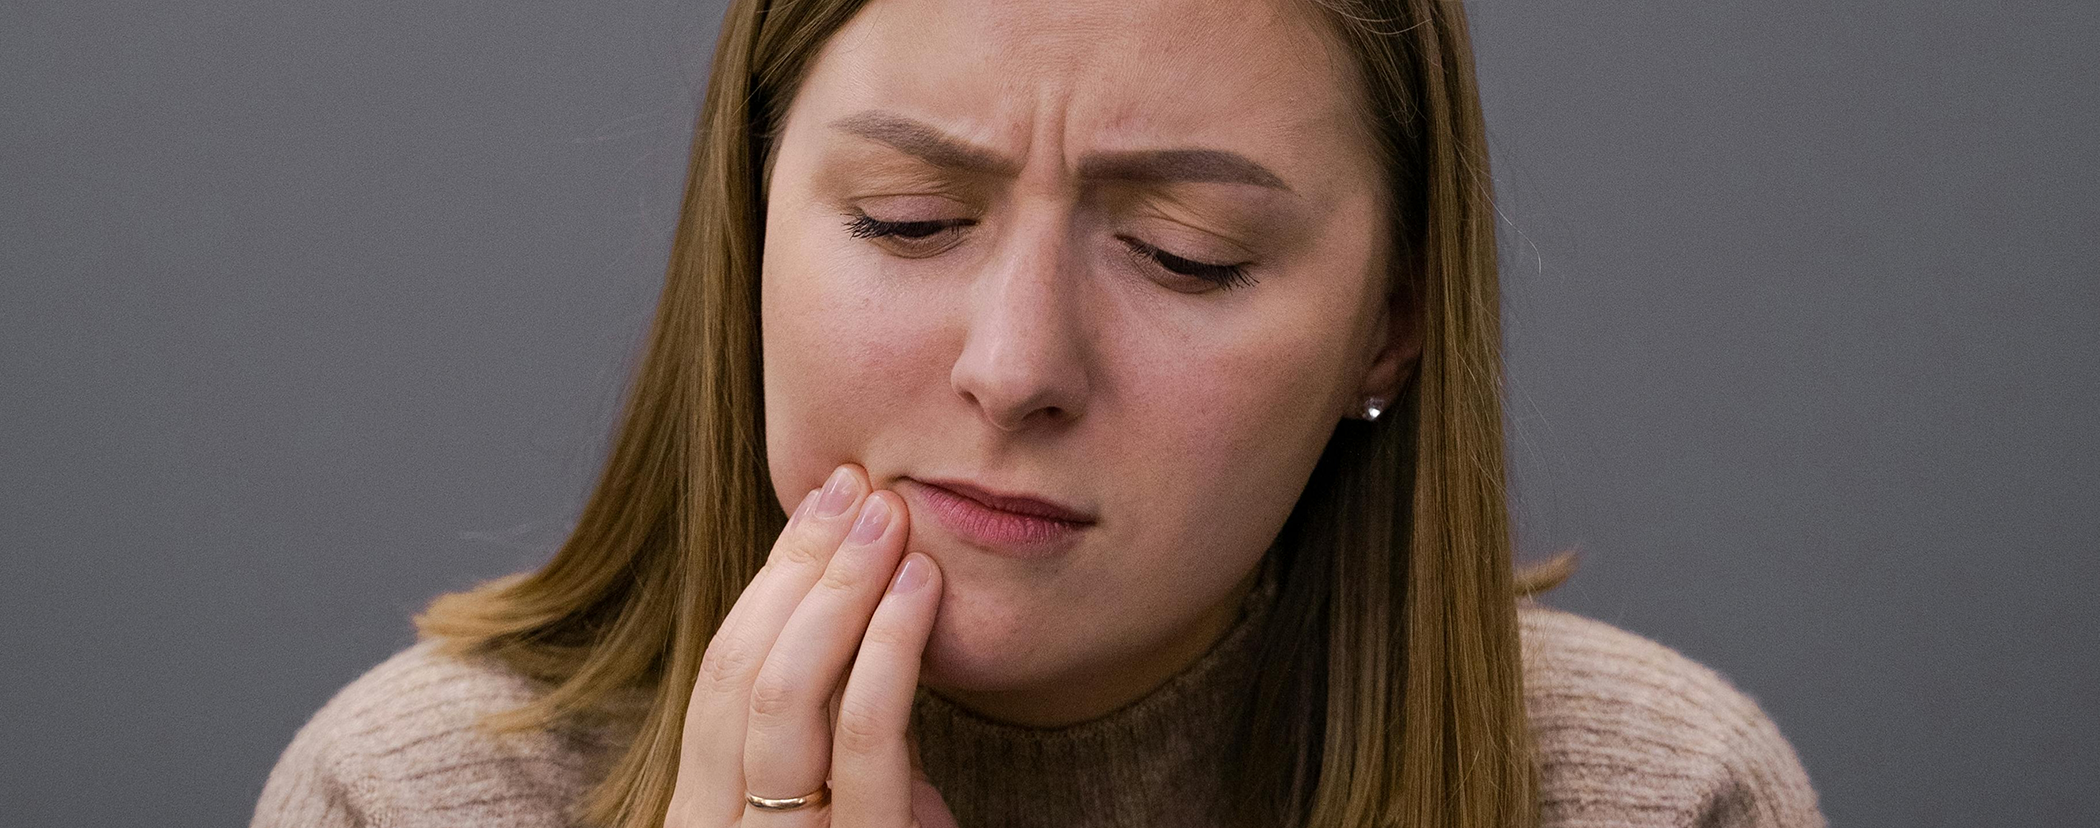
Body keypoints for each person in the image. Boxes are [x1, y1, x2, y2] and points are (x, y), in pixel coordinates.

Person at [251, 0, 1825, 825]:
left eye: (1182, 256)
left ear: (1390, 325)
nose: (1015, 366)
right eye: (909, 219)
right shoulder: (412, 801)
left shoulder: (1656, 797)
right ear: (747, 229)